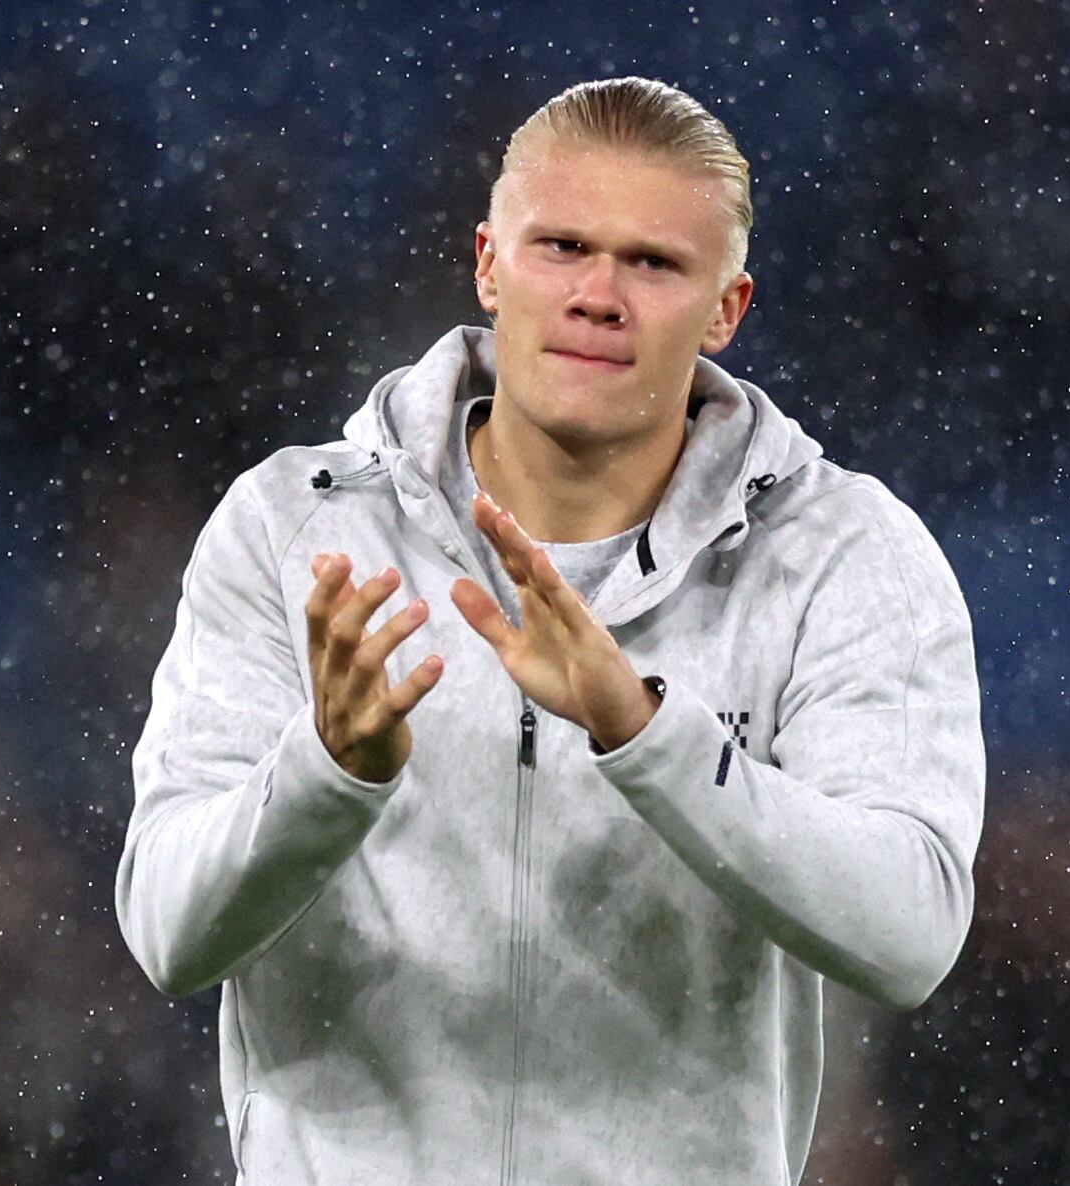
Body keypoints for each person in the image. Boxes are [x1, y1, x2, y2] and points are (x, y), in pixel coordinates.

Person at [115, 77, 986, 1185]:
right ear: (488, 264)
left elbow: (907, 930)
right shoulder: (297, 526)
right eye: (561, 246)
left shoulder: (838, 557)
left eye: (653, 263)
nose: (597, 295)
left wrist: (647, 735)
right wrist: (328, 771)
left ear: (727, 307)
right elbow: (169, 930)